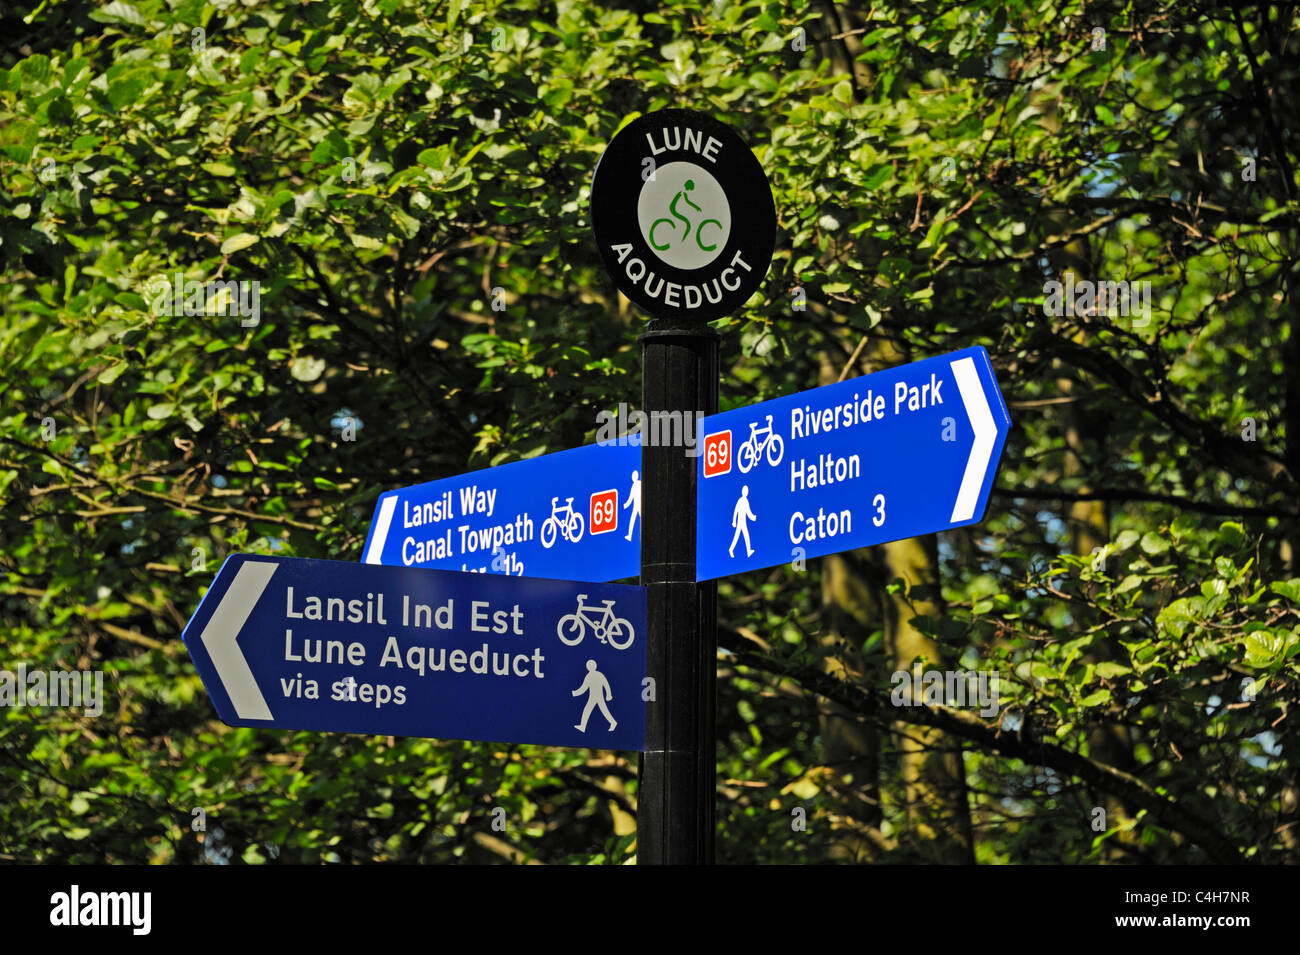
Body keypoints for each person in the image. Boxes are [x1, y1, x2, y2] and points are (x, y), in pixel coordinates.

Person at [572, 660, 617, 732]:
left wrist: (574, 693)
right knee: (591, 710)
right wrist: (608, 694)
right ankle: (583, 726)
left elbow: (584, 688)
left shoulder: (591, 676)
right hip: (594, 697)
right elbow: (606, 685)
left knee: (600, 710)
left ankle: (613, 722)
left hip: (596, 697)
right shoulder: (596, 675)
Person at [729, 485, 756, 558]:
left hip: (742, 521)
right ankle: (731, 549)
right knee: (738, 536)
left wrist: (752, 517)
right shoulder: (742, 500)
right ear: (743, 492)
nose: (746, 492)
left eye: (746, 491)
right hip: (740, 521)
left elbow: (748, 512)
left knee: (743, 535)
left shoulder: (745, 501)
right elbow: (736, 511)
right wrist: (734, 521)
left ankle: (748, 551)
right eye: (745, 491)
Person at [623, 470, 641, 541]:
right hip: (636, 506)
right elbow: (631, 497)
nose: (633, 477)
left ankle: (638, 536)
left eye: (634, 476)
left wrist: (625, 505)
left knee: (636, 519)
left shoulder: (637, 484)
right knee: (633, 519)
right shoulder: (637, 484)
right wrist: (626, 505)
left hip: (639, 506)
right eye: (632, 476)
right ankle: (630, 535)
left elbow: (631, 497)